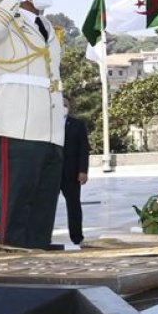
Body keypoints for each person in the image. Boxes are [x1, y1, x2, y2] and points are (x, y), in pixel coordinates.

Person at [0, 0, 64, 248]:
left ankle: (38, 268)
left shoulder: (47, 27)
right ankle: (14, 276)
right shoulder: (5, 24)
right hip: (17, 129)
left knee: (42, 211)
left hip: (50, 131)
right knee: (16, 208)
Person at [59, 97, 89, 244]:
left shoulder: (77, 125)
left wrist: (83, 170)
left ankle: (77, 237)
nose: (63, 107)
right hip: (51, 173)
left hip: (71, 173)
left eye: (65, 105)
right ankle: (42, 236)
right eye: (60, 104)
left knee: (74, 205)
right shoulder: (49, 125)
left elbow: (84, 149)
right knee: (46, 207)